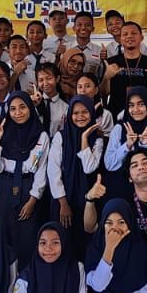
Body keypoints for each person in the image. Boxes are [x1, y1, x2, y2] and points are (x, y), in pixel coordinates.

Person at [0, 91, 49, 263]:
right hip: (3, 188)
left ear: (30, 108)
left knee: (27, 238)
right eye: (12, 109)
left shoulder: (41, 135)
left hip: (28, 188)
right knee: (2, 236)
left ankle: (24, 277)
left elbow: (41, 169)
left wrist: (33, 200)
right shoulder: (2, 132)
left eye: (22, 107)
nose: (17, 112)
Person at [48, 94, 105, 230]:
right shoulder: (60, 137)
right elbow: (53, 171)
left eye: (85, 112)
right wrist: (63, 203)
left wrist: (84, 138)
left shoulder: (97, 139)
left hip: (88, 198)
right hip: (63, 198)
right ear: (69, 115)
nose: (80, 116)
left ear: (91, 113)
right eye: (75, 113)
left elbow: (89, 168)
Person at [103, 87, 147, 199]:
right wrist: (127, 145)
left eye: (141, 104)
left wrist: (146, 144)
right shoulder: (119, 128)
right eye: (131, 105)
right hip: (120, 190)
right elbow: (109, 164)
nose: (135, 109)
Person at [103, 21, 147, 116]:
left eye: (133, 33)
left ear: (141, 37)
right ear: (120, 39)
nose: (129, 36)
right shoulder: (111, 63)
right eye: (125, 34)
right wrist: (106, 77)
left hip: (142, 115)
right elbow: (103, 94)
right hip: (116, 114)